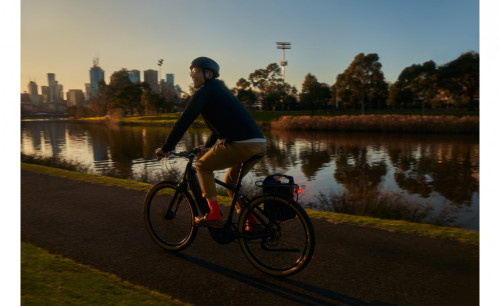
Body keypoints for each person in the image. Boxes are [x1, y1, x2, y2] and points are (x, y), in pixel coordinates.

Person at [155, 57, 266, 228]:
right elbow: (220, 123)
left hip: (240, 144)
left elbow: (185, 120)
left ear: (208, 74)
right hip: (258, 143)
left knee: (202, 167)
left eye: (195, 71)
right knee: (230, 182)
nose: (192, 75)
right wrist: (207, 145)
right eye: (191, 71)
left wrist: (166, 148)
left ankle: (214, 215)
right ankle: (252, 221)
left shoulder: (205, 91)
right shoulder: (219, 90)